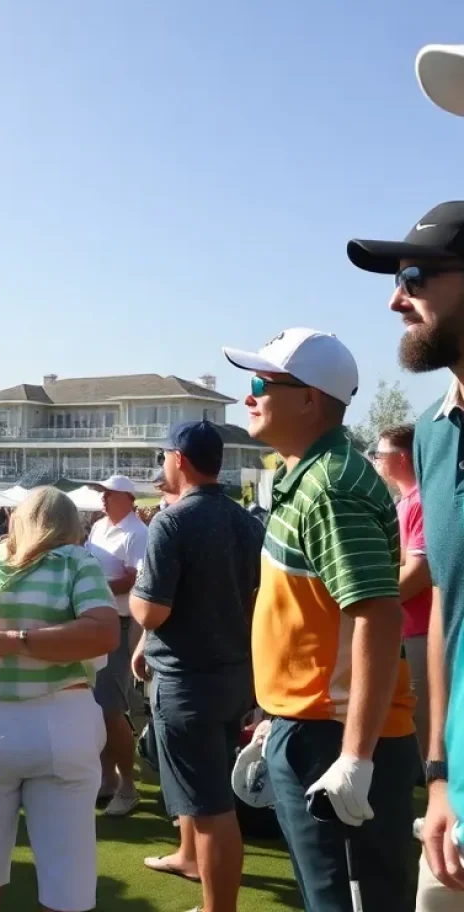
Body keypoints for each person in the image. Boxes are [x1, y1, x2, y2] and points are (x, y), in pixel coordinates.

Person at [223, 327, 417, 912]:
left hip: (334, 735)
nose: (249, 395)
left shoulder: (331, 485)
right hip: (312, 724)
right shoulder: (307, 474)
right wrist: (277, 713)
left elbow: (377, 617)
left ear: (310, 399)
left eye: (262, 382)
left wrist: (355, 757)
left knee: (343, 899)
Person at [0, 486, 120, 912]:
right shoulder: (76, 560)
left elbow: (103, 632)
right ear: (70, 527)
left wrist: (2, 642)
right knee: (65, 886)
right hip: (57, 723)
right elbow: (105, 630)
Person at [348, 203, 464, 906]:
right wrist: (443, 773)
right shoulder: (433, 434)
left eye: (414, 277)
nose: (396, 299)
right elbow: (449, 605)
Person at [129, 422, 263, 912]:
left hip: (188, 680)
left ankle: (216, 907)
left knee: (211, 809)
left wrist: (139, 603)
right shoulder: (245, 519)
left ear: (179, 459)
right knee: (206, 798)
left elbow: (151, 610)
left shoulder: (173, 521)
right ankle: (190, 861)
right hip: (234, 674)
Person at [86, 473, 146, 818]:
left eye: (109, 494)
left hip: (120, 625)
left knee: (111, 708)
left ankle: (128, 786)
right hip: (100, 620)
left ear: (127, 498)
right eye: (102, 493)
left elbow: (134, 580)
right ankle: (107, 779)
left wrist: (92, 585)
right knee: (98, 707)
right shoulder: (98, 527)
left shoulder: (138, 533)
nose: (103, 499)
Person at [372, 424, 432, 760]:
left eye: (382, 454)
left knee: (424, 718)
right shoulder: (404, 503)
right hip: (406, 628)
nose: (377, 460)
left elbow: (418, 573)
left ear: (403, 458)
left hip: (421, 630)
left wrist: (377, 600)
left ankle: (440, 801)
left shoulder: (420, 503)